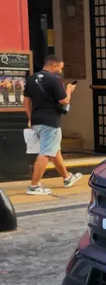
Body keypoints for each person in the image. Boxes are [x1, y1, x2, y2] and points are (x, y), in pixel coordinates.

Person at [22, 56, 82, 195]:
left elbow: (26, 103)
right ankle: (34, 186)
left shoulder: (31, 79)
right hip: (50, 121)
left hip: (36, 119)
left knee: (54, 150)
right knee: (45, 153)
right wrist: (69, 90)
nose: (60, 71)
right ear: (54, 66)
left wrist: (30, 118)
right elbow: (64, 101)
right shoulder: (54, 80)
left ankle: (67, 177)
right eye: (60, 68)